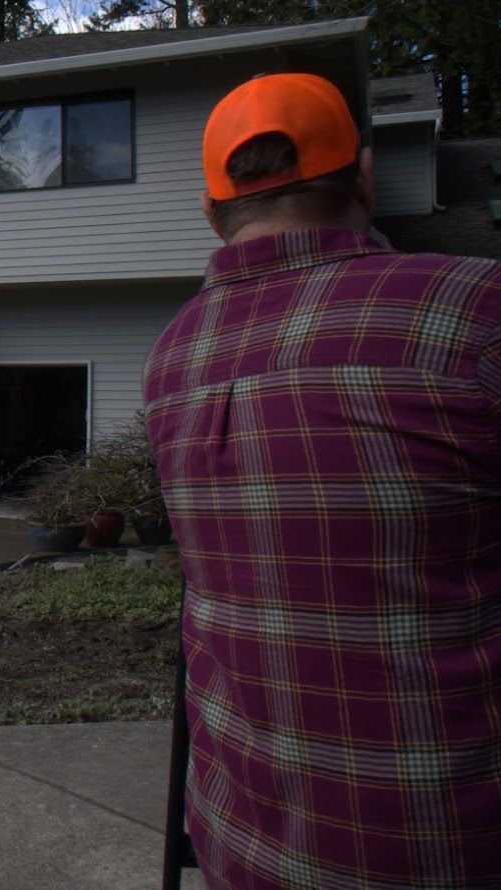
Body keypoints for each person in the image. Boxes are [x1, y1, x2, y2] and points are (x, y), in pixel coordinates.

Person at [142, 73, 501, 888]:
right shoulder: (473, 311)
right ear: (365, 178)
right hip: (446, 848)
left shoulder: (171, 357)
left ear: (211, 212)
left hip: (244, 842)